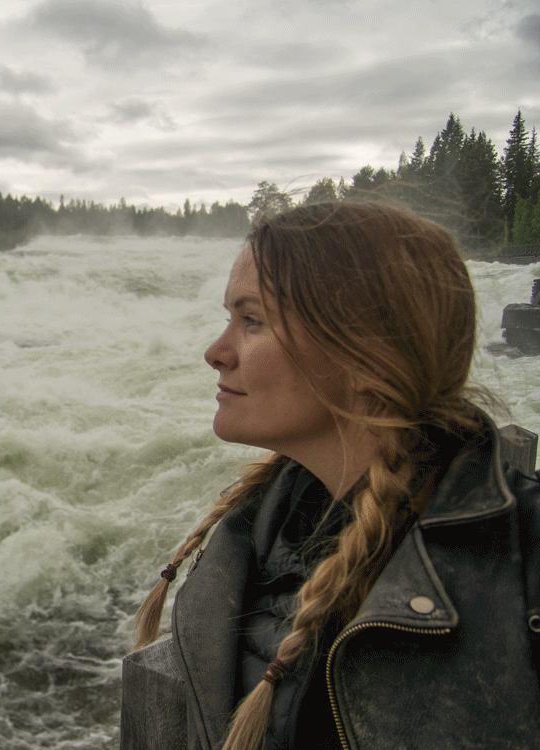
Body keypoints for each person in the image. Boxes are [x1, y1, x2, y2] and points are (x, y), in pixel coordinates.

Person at [120, 201, 540, 750]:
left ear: (366, 355)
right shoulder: (255, 538)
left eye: (252, 320)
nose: (216, 352)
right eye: (229, 318)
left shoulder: (523, 568)